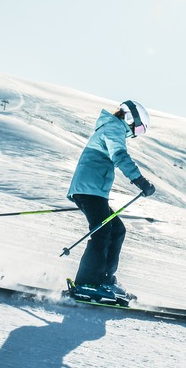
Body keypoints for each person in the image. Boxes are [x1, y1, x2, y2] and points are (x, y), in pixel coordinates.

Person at [67, 100, 156, 301]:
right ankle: (87, 284)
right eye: (140, 129)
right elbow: (120, 156)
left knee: (117, 230)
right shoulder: (114, 128)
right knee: (102, 233)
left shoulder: (111, 127)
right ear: (132, 118)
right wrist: (139, 180)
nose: (136, 133)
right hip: (89, 190)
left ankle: (105, 280)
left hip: (94, 190)